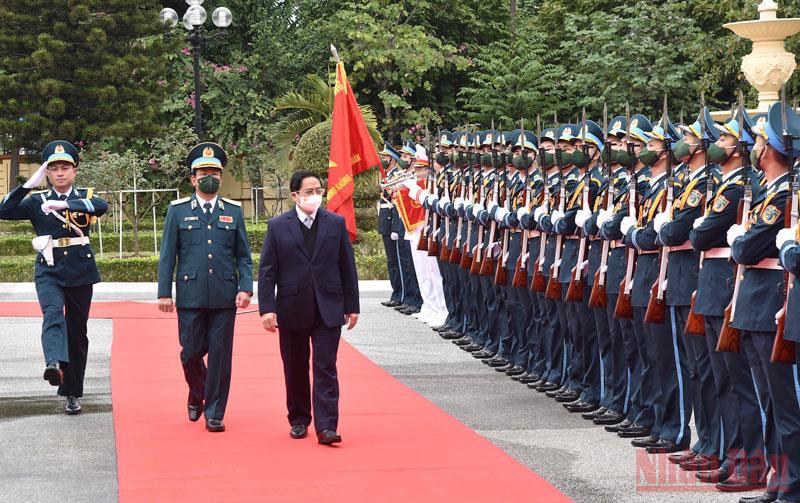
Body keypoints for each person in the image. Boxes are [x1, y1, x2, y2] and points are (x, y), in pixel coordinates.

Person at [0, 140, 108, 414]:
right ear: (46, 173)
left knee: (77, 332)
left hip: (81, 271)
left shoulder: (86, 196)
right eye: (53, 168)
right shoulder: (37, 201)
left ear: (74, 171)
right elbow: (4, 211)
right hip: (49, 269)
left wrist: (63, 204)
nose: (60, 173)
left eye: (65, 167)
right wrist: (27, 185)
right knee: (52, 314)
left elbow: (101, 206)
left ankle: (72, 392)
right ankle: (53, 363)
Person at [157, 142, 253, 433]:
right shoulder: (178, 210)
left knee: (221, 358)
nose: (208, 176)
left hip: (225, 296)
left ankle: (214, 411)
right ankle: (197, 391)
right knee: (190, 352)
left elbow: (243, 256)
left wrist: (246, 287)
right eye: (202, 172)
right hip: (190, 295)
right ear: (192, 179)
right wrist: (164, 292)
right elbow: (167, 255)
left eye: (214, 171)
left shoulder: (233, 212)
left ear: (221, 177)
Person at [258, 170, 359, 445]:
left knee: (325, 366)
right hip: (292, 307)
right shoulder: (278, 226)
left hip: (329, 306)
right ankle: (299, 418)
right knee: (295, 366)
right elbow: (267, 270)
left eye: (318, 190)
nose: (315, 195)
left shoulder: (335, 223)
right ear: (295, 195)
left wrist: (353, 305)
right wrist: (267, 308)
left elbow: (346, 267)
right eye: (309, 191)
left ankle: (327, 426)